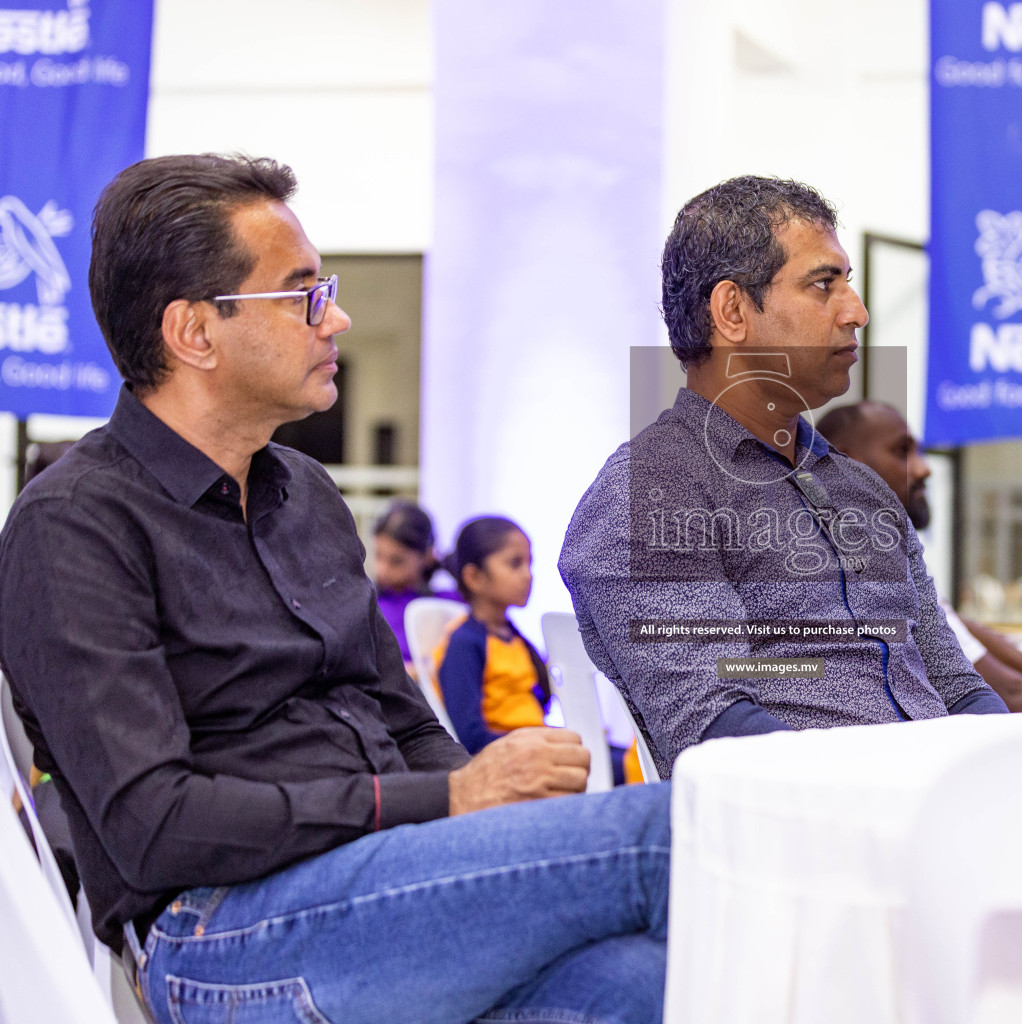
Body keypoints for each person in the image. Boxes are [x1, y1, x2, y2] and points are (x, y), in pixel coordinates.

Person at [0, 154, 669, 1024]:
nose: (337, 318)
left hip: (380, 887)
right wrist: (455, 800)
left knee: (635, 985)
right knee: (676, 834)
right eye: (303, 293)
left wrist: (487, 813)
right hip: (219, 934)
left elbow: (401, 717)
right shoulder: (74, 526)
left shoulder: (304, 493)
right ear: (194, 332)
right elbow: (153, 824)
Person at [559, 175, 1007, 778]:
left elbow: (956, 685)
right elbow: (714, 725)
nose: (858, 312)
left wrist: (1008, 771)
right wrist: (898, 788)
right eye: (824, 284)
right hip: (807, 833)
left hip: (937, 806)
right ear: (733, 311)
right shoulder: (651, 494)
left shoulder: (863, 491)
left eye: (847, 282)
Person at [818, 400, 1022, 709]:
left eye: (918, 452)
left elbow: (956, 626)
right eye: (901, 451)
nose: (924, 468)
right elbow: (1006, 690)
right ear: (845, 462)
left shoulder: (895, 556)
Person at [434, 516, 551, 754]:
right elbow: (470, 737)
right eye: (515, 563)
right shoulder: (464, 643)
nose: (528, 575)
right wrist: (539, 743)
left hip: (535, 745)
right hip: (506, 758)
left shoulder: (514, 637)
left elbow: (536, 705)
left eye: (530, 563)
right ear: (474, 577)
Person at [372, 499, 462, 668]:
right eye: (378, 556)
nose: (382, 569)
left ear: (427, 556)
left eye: (396, 561)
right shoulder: (367, 604)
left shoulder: (449, 604)